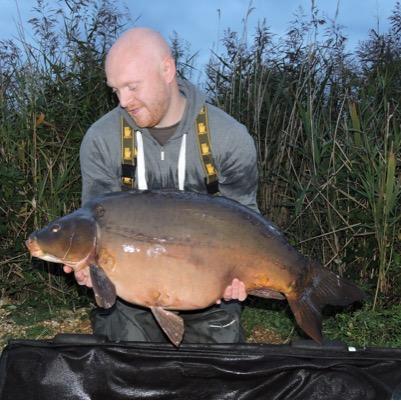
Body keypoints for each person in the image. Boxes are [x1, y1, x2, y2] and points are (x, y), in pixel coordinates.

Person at [64, 27, 259, 344]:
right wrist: (92, 266)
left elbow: (247, 221)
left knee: (214, 377)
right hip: (130, 291)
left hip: (208, 287)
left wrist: (240, 277)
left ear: (167, 69)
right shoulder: (101, 140)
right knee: (126, 368)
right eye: (115, 90)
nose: (124, 101)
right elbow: (94, 221)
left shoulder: (228, 138)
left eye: (132, 86)